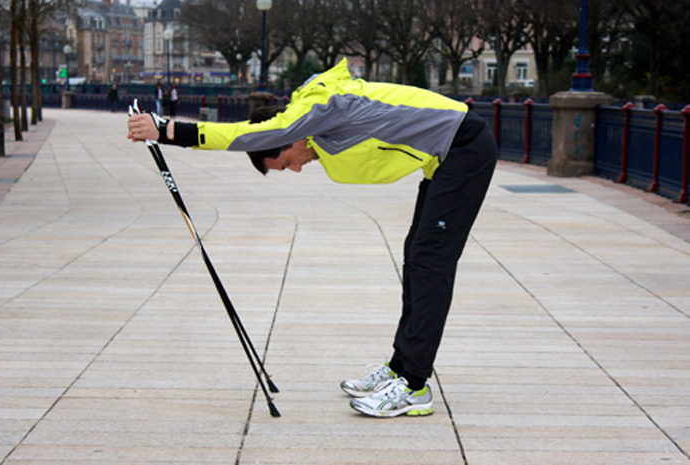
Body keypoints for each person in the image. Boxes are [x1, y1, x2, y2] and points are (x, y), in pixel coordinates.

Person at [127, 58, 498, 418]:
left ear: (289, 136)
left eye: (288, 162)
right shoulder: (322, 127)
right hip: (446, 157)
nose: (298, 168)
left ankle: (414, 386)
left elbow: (244, 134)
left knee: (430, 262)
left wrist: (167, 131)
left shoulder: (321, 109)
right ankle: (400, 367)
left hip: (465, 148)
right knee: (417, 256)